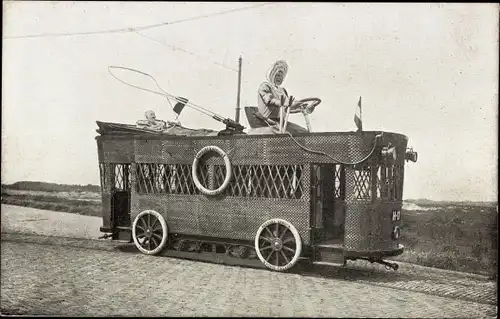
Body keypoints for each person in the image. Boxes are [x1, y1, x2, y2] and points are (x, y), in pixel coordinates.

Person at [256, 60, 308, 134]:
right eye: (277, 75)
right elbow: (270, 100)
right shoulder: (265, 86)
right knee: (286, 134)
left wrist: (302, 108)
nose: (279, 78)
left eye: (281, 76)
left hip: (282, 122)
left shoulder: (282, 90)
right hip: (269, 122)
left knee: (303, 132)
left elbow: (288, 108)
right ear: (272, 74)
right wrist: (283, 103)